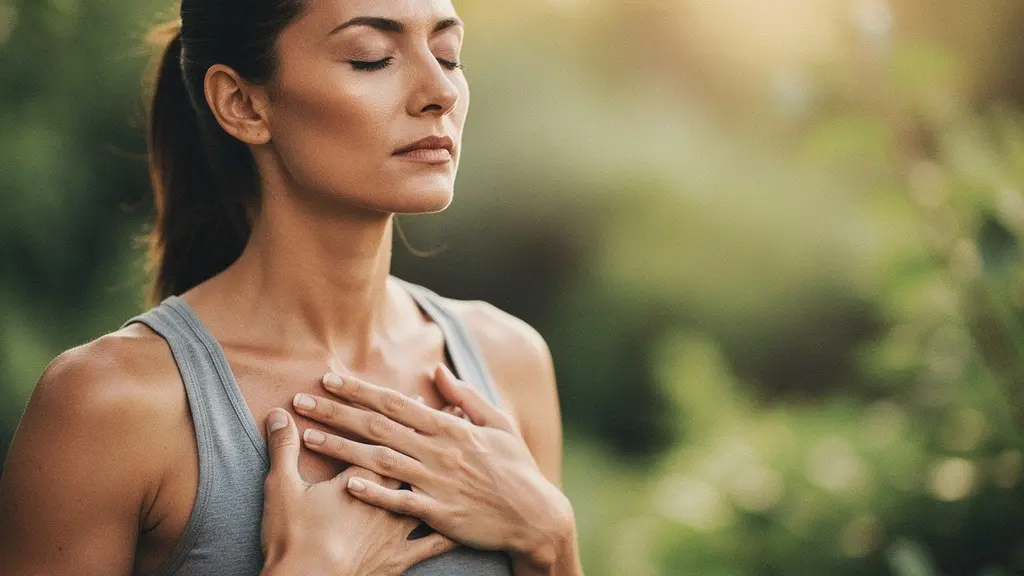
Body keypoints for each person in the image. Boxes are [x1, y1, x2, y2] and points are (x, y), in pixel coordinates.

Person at [0, 0, 583, 574]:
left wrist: (551, 539)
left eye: (447, 55)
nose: (441, 91)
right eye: (371, 58)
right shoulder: (112, 407)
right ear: (243, 104)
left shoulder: (507, 362)